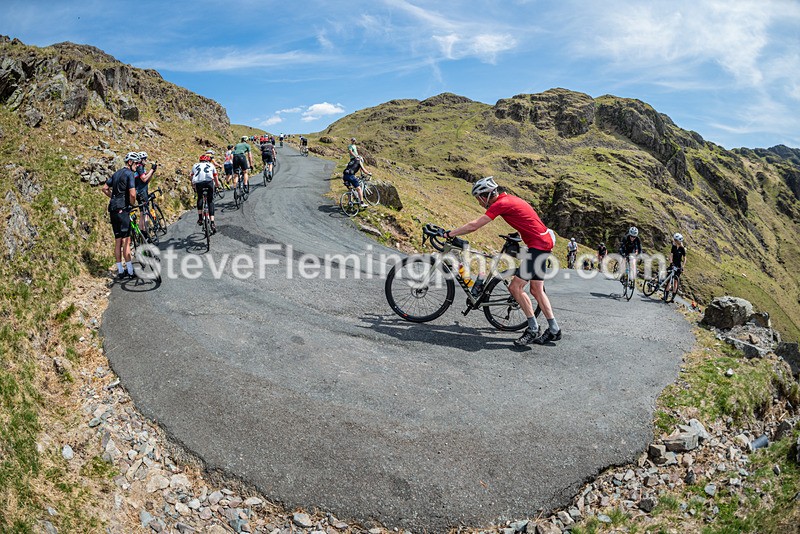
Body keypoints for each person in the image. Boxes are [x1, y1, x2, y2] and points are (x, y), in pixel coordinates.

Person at [444, 177, 561, 346]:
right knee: (536, 290)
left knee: (515, 287)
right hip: (543, 242)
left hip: (538, 246)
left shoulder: (501, 203)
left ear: (486, 195)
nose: (478, 202)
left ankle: (533, 329)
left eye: (478, 198)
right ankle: (554, 329)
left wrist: (450, 234)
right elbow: (526, 220)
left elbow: (474, 226)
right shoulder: (510, 199)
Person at [103, 152, 139, 280]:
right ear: (130, 162)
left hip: (112, 209)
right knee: (126, 241)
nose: (137, 166)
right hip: (123, 209)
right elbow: (133, 194)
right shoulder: (130, 174)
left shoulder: (116, 173)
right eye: (136, 163)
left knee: (118, 240)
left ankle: (120, 271)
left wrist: (113, 198)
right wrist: (130, 204)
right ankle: (129, 271)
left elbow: (105, 188)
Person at [191, 154, 220, 234]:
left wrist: (193, 186)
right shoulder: (211, 165)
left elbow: (191, 177)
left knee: (200, 197)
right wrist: (217, 186)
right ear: (207, 160)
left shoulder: (195, 165)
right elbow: (215, 177)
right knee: (210, 201)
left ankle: (200, 218)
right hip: (209, 183)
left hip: (199, 183)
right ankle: (212, 222)